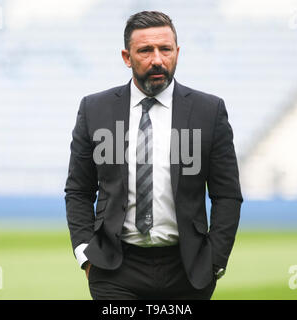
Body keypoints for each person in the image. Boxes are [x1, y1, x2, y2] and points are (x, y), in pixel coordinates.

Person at [65, 11, 243, 300]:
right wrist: (85, 254)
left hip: (187, 269)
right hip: (115, 269)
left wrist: (215, 260)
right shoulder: (94, 109)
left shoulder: (209, 111)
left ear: (177, 52)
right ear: (127, 57)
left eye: (165, 49)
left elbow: (227, 195)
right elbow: (78, 190)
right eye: (146, 50)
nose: (157, 59)